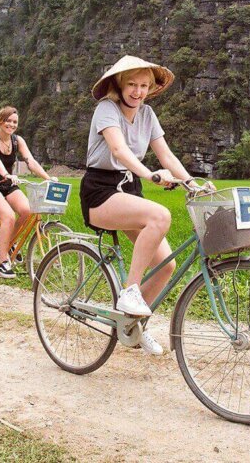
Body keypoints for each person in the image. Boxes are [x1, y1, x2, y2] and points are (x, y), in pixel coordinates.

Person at [80, 55, 211, 355]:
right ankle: (130, 291)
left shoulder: (148, 115)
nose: (137, 92)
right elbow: (118, 149)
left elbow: (166, 156)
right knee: (160, 215)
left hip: (129, 190)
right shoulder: (106, 109)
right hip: (101, 192)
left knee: (166, 266)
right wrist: (148, 174)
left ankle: (134, 328)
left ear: (150, 88)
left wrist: (192, 183)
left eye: (143, 85)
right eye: (131, 85)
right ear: (119, 85)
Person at [0, 106, 56, 279]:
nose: (11, 124)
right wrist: (7, 174)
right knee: (8, 216)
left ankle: (10, 243)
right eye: (8, 120)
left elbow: (30, 161)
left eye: (14, 122)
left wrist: (47, 178)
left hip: (6, 182)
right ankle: (2, 263)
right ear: (0, 121)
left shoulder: (17, 141)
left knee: (27, 211)